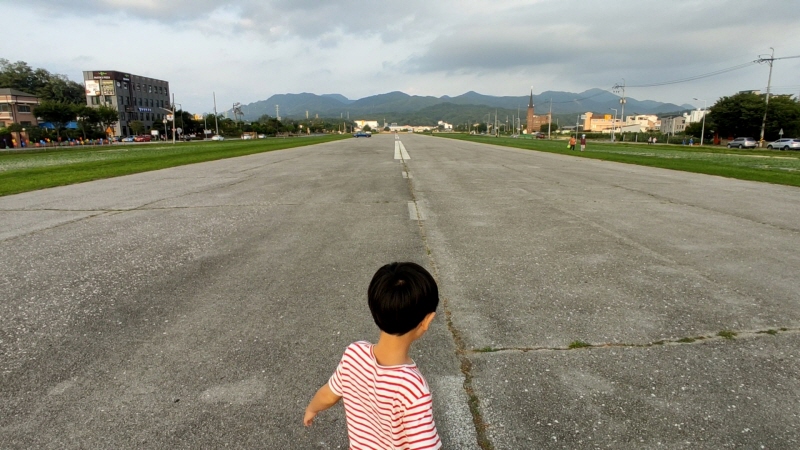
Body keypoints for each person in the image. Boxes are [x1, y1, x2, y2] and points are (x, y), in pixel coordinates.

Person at [304, 262, 442, 449]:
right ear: (427, 321)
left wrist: (312, 408)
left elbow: (329, 395)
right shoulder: (413, 389)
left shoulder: (354, 354)